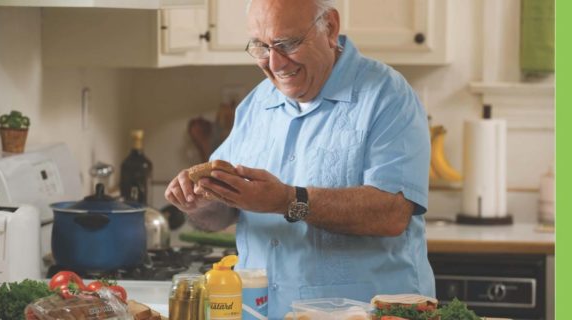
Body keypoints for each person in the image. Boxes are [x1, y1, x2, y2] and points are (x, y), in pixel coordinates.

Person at [165, 0, 435, 318]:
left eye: (288, 43)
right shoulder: (256, 104)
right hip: (262, 311)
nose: (275, 63)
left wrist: (288, 201)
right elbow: (223, 215)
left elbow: (392, 214)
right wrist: (199, 204)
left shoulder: (387, 96)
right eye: (261, 46)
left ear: (330, 28)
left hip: (367, 312)